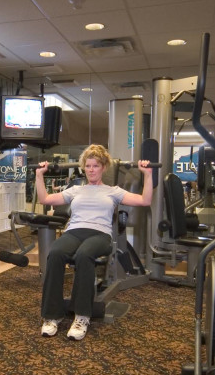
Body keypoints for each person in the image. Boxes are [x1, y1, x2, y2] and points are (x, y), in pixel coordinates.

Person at [35, 145, 153, 340]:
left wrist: (147, 174)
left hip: (100, 235)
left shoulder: (113, 191)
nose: (91, 169)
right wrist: (40, 175)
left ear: (103, 167)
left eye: (95, 165)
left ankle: (82, 316)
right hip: (74, 231)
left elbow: (144, 200)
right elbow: (44, 198)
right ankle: (51, 315)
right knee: (55, 253)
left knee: (84, 254)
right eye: (88, 166)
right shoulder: (75, 190)